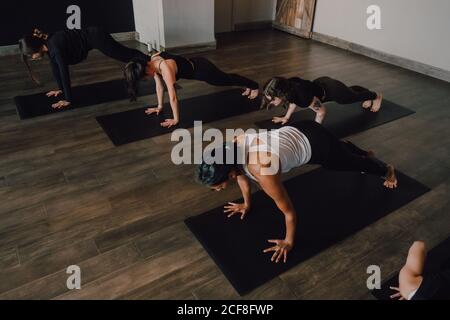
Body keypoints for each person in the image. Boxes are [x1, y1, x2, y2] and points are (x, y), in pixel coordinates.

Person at [196, 120, 397, 263]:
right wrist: (246, 204)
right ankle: (357, 152)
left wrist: (288, 242)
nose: (217, 189)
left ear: (228, 173)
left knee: (349, 164)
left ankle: (386, 170)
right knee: (343, 152)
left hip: (318, 147)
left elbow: (289, 212)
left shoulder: (263, 170)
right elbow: (241, 177)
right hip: (301, 127)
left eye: (216, 185)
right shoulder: (234, 146)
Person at [18, 27, 149, 109]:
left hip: (97, 37)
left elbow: (64, 72)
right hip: (92, 37)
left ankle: (151, 60)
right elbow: (55, 68)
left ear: (36, 48)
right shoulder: (48, 46)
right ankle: (149, 59)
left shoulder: (54, 47)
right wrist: (60, 89)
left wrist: (68, 99)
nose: (33, 58)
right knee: (125, 54)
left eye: (31, 55)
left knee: (124, 55)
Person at [123, 51, 260, 128]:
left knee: (225, 80)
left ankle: (254, 85)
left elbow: (173, 97)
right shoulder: (153, 60)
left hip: (203, 70)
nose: (146, 79)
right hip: (195, 63)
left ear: (146, 69)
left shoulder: (164, 68)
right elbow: (159, 86)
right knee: (226, 79)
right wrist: (159, 106)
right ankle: (247, 85)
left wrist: (176, 119)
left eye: (144, 77)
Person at [261, 76, 383, 124]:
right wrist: (286, 118)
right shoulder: (289, 87)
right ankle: (363, 92)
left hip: (333, 91)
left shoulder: (303, 98)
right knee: (350, 93)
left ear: (281, 94)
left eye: (272, 100)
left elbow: (321, 111)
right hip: (323, 83)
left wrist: (316, 128)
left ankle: (376, 96)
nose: (272, 103)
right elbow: (293, 101)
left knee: (349, 98)